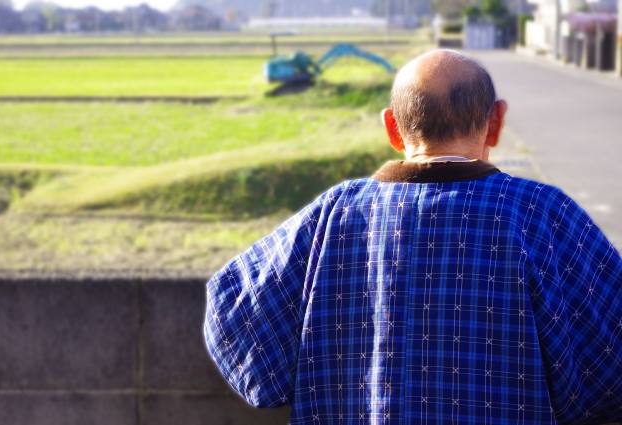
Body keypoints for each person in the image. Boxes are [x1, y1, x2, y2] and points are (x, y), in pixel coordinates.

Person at [204, 50, 622, 424]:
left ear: (392, 127)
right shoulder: (540, 212)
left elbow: (237, 321)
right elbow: (609, 362)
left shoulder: (333, 213)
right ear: (495, 123)